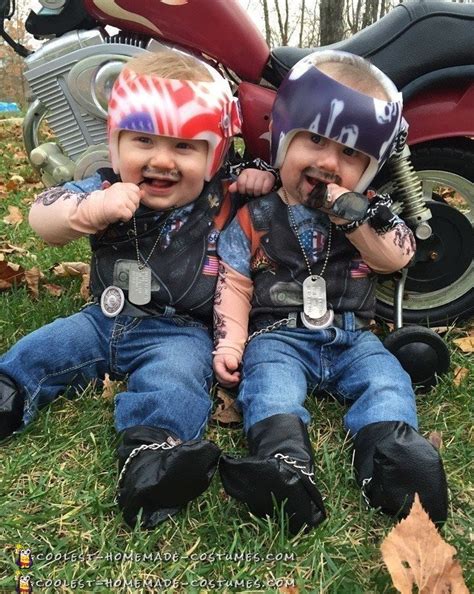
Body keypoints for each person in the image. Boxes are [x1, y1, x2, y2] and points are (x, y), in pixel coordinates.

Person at [0, 48, 275, 529]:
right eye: (143, 140)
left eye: (185, 147)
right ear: (116, 143)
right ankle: (8, 393)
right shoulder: (103, 187)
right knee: (46, 347)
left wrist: (261, 176)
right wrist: (88, 212)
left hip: (180, 330)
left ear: (215, 155)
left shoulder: (223, 191)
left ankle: (152, 458)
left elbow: (278, 190)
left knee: (175, 381)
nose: (161, 160)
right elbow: (42, 215)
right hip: (101, 318)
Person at [213, 50, 448, 534]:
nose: (327, 162)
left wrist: (355, 215)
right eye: (315, 140)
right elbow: (234, 280)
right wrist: (232, 341)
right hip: (277, 334)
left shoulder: (372, 210)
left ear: (369, 168)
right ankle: (285, 463)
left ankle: (391, 456)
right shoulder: (255, 211)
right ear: (284, 139)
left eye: (349, 154)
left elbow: (397, 255)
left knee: (386, 379)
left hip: (352, 335)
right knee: (269, 383)